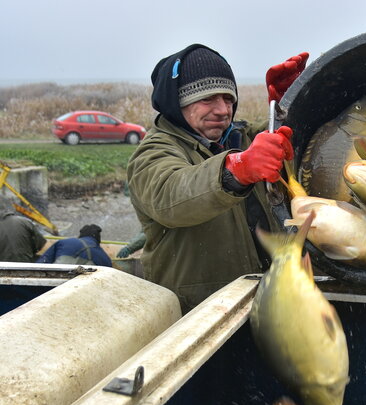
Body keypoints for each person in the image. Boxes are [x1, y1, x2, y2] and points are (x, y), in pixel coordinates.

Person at [126, 44, 308, 313]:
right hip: (199, 317)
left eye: (228, 99)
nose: (223, 110)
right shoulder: (153, 153)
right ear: (177, 103)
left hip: (272, 301)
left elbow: (302, 150)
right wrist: (237, 169)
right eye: (208, 99)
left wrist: (292, 105)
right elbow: (171, 195)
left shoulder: (244, 139)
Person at [36, 224, 112, 266]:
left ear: (80, 235)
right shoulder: (105, 258)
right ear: (98, 240)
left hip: (52, 285)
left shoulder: (65, 242)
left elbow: (42, 262)